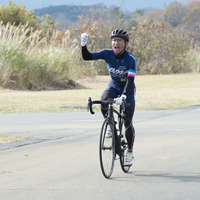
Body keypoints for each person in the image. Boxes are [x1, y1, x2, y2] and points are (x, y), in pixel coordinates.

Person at [81, 29, 137, 166]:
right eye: (114, 40)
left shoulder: (131, 59)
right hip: (113, 86)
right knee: (104, 100)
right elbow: (87, 57)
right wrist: (83, 44)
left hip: (127, 90)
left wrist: (124, 96)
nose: (115, 43)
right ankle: (110, 126)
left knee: (127, 120)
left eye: (119, 40)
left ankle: (129, 152)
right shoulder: (107, 54)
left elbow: (130, 80)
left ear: (126, 43)